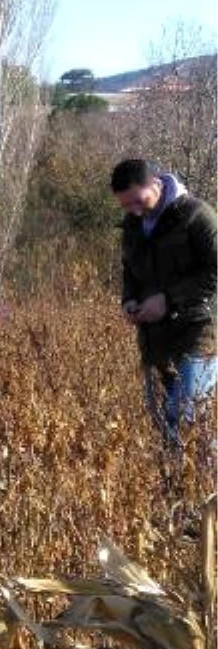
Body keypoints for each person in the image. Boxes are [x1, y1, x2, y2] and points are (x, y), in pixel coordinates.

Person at [113, 158, 218, 451]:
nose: (133, 210)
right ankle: (183, 492)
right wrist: (129, 300)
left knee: (185, 415)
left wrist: (170, 298)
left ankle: (206, 487)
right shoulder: (133, 226)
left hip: (200, 332)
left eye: (138, 201)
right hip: (154, 340)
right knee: (164, 423)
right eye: (125, 206)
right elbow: (129, 271)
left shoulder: (197, 216)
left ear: (156, 184)